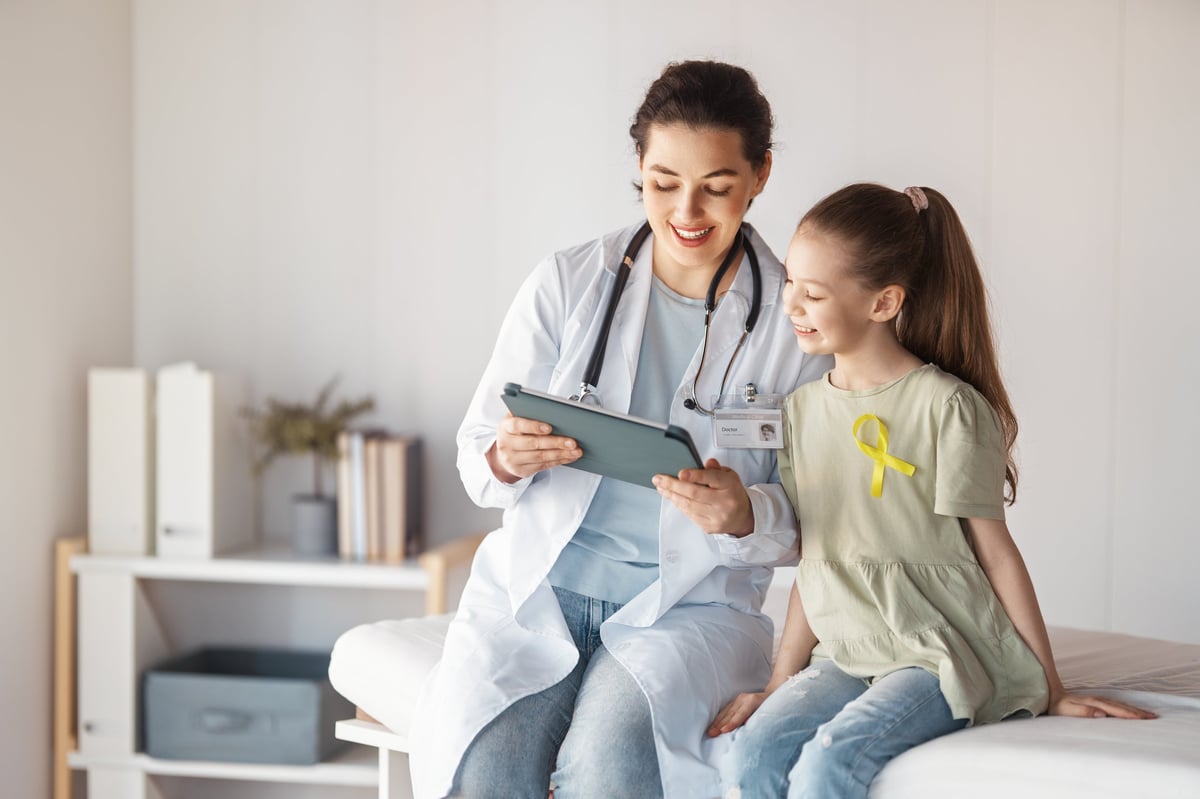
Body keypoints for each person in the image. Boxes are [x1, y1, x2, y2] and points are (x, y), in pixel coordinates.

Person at [408, 61, 832, 799]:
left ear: (761, 174)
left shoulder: (795, 324)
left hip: (691, 607)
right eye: (663, 181)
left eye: (717, 186)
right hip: (544, 589)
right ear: (638, 164)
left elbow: (817, 523)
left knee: (606, 765)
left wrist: (746, 512)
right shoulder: (569, 282)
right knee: (486, 774)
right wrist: (507, 456)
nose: (687, 210)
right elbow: (477, 456)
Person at [709, 183, 1156, 799]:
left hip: (935, 650)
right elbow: (820, 559)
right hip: (846, 646)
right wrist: (780, 682)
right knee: (753, 751)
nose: (792, 306)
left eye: (813, 294)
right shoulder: (803, 412)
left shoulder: (947, 406)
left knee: (828, 764)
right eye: (790, 284)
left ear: (883, 302)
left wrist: (1049, 687)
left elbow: (996, 553)